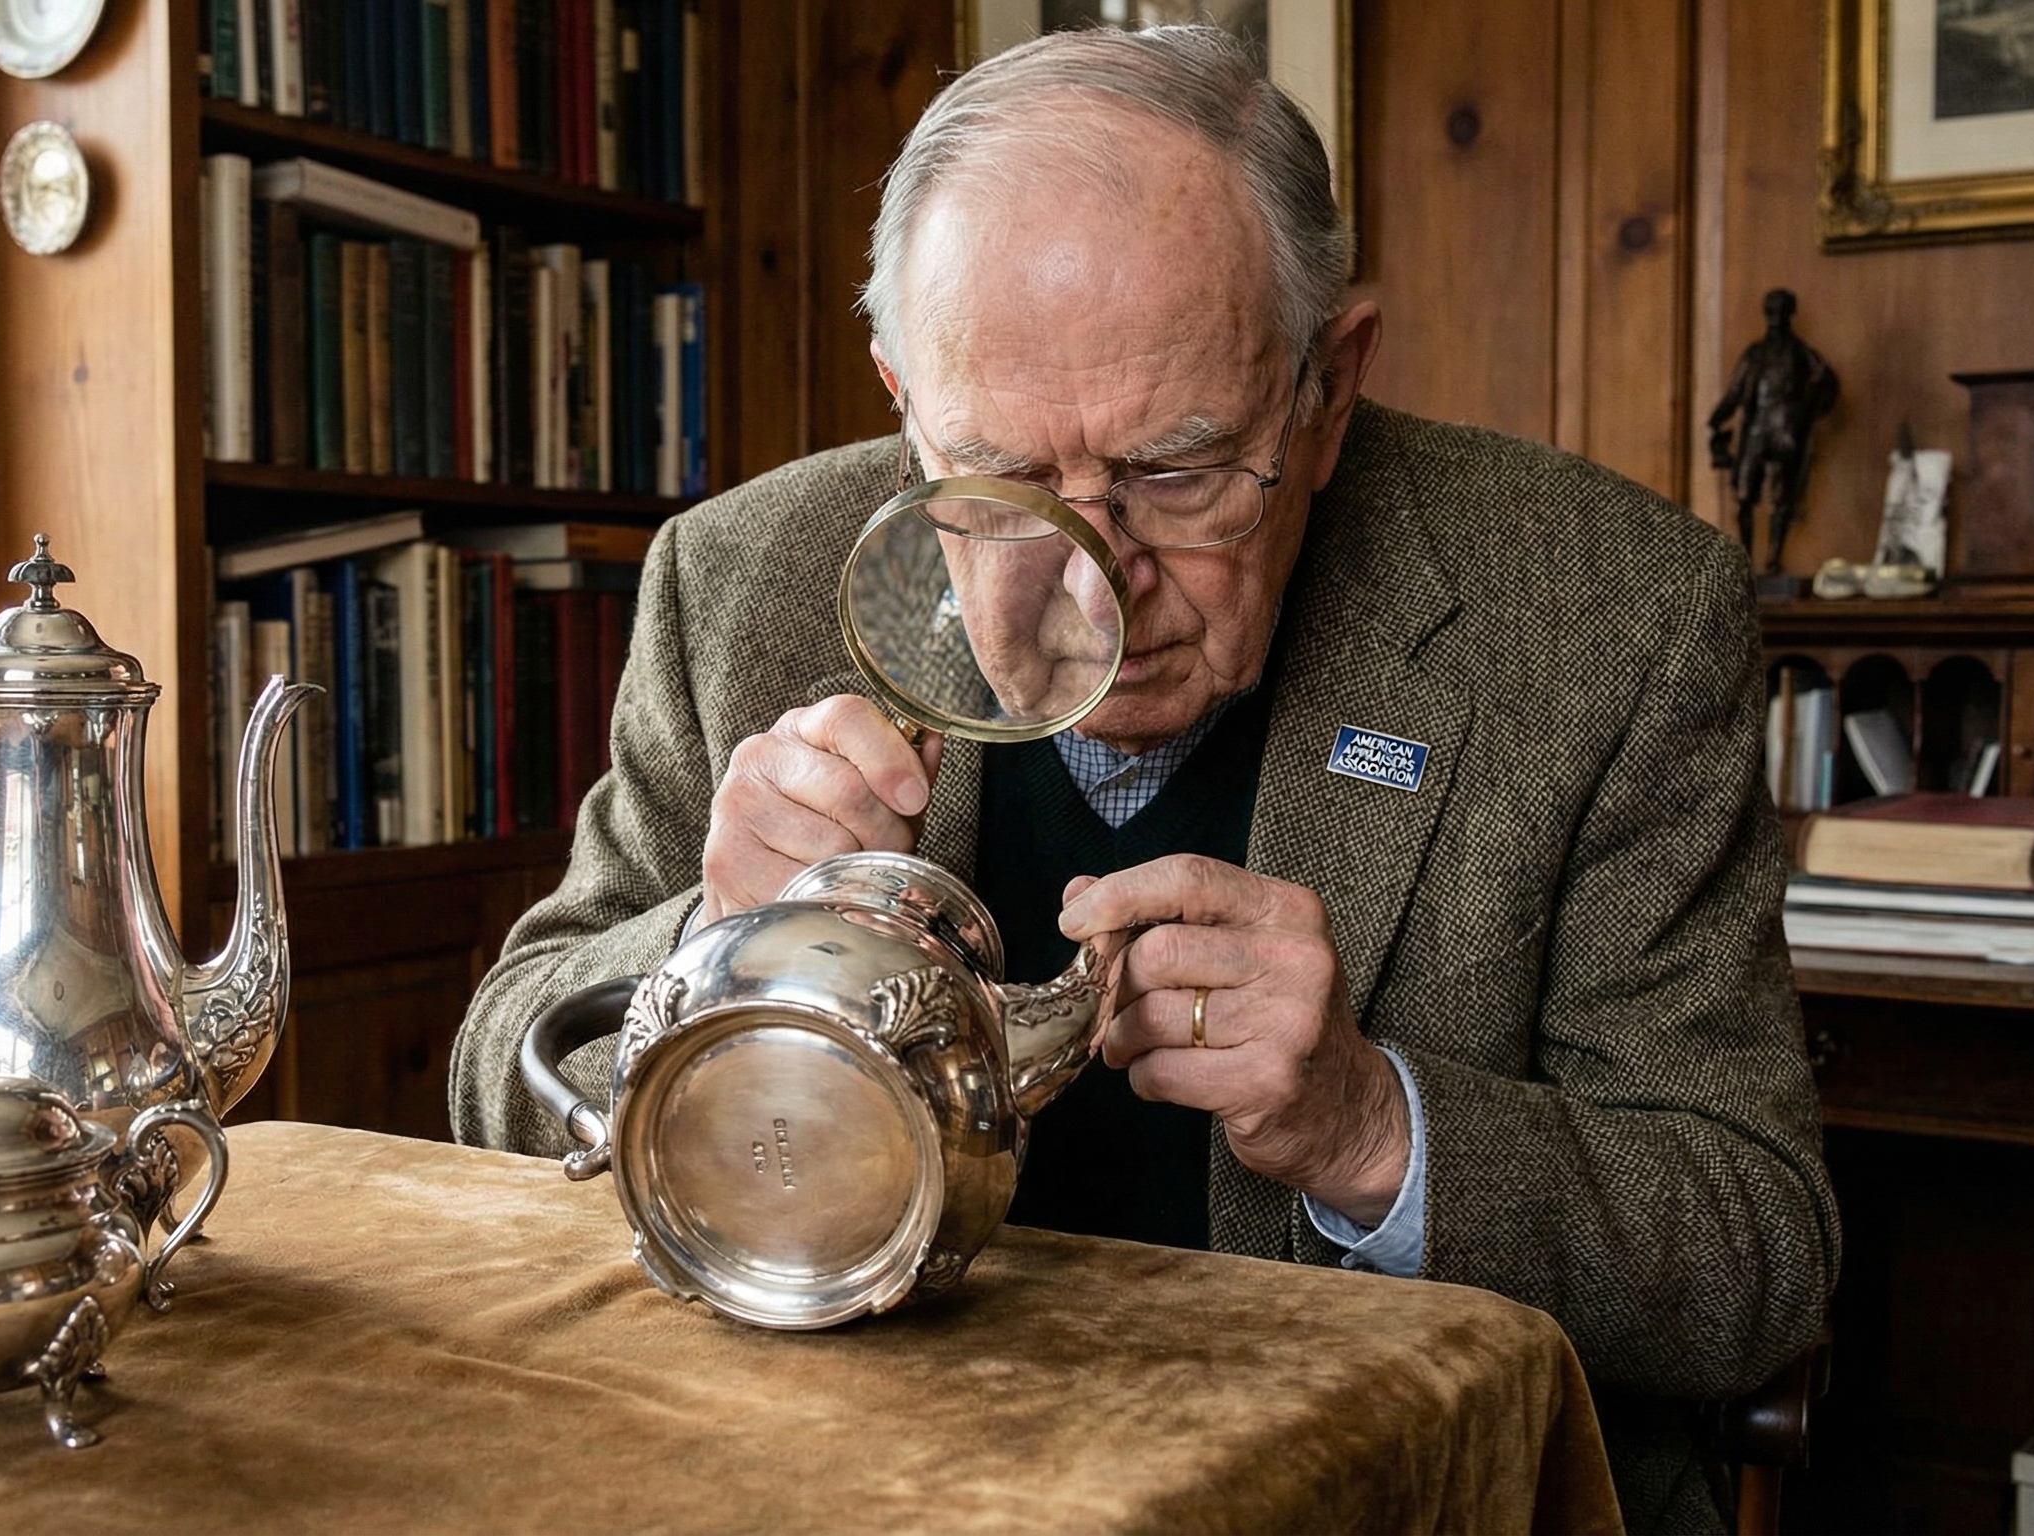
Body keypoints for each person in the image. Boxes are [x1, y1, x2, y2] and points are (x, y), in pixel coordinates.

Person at [450, 24, 1838, 1534]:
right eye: (1002, 482)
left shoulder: (1612, 618)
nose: (1087, 589)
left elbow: (1753, 1253)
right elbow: (498, 1076)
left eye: (1175, 476)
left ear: (1328, 389)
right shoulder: (737, 581)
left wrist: (1375, 1131)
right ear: (905, 400)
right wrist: (709, 950)